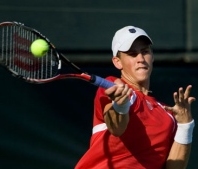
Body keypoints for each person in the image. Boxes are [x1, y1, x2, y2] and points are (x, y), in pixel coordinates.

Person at [75, 26, 196, 169]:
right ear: (117, 62)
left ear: (152, 57)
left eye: (145, 52)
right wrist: (121, 104)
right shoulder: (113, 86)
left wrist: (185, 125)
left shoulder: (168, 115)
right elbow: (117, 129)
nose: (140, 59)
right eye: (132, 54)